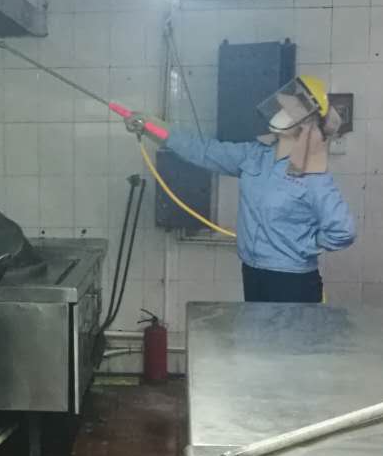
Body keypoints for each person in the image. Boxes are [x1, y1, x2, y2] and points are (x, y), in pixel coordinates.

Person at [125, 75, 356, 304]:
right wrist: (150, 126)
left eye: (293, 108)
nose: (282, 111)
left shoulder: (312, 172)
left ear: (307, 123)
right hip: (253, 271)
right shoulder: (255, 154)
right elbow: (203, 150)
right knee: (256, 329)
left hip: (292, 279)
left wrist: (303, 246)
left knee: (290, 331)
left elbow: (342, 230)